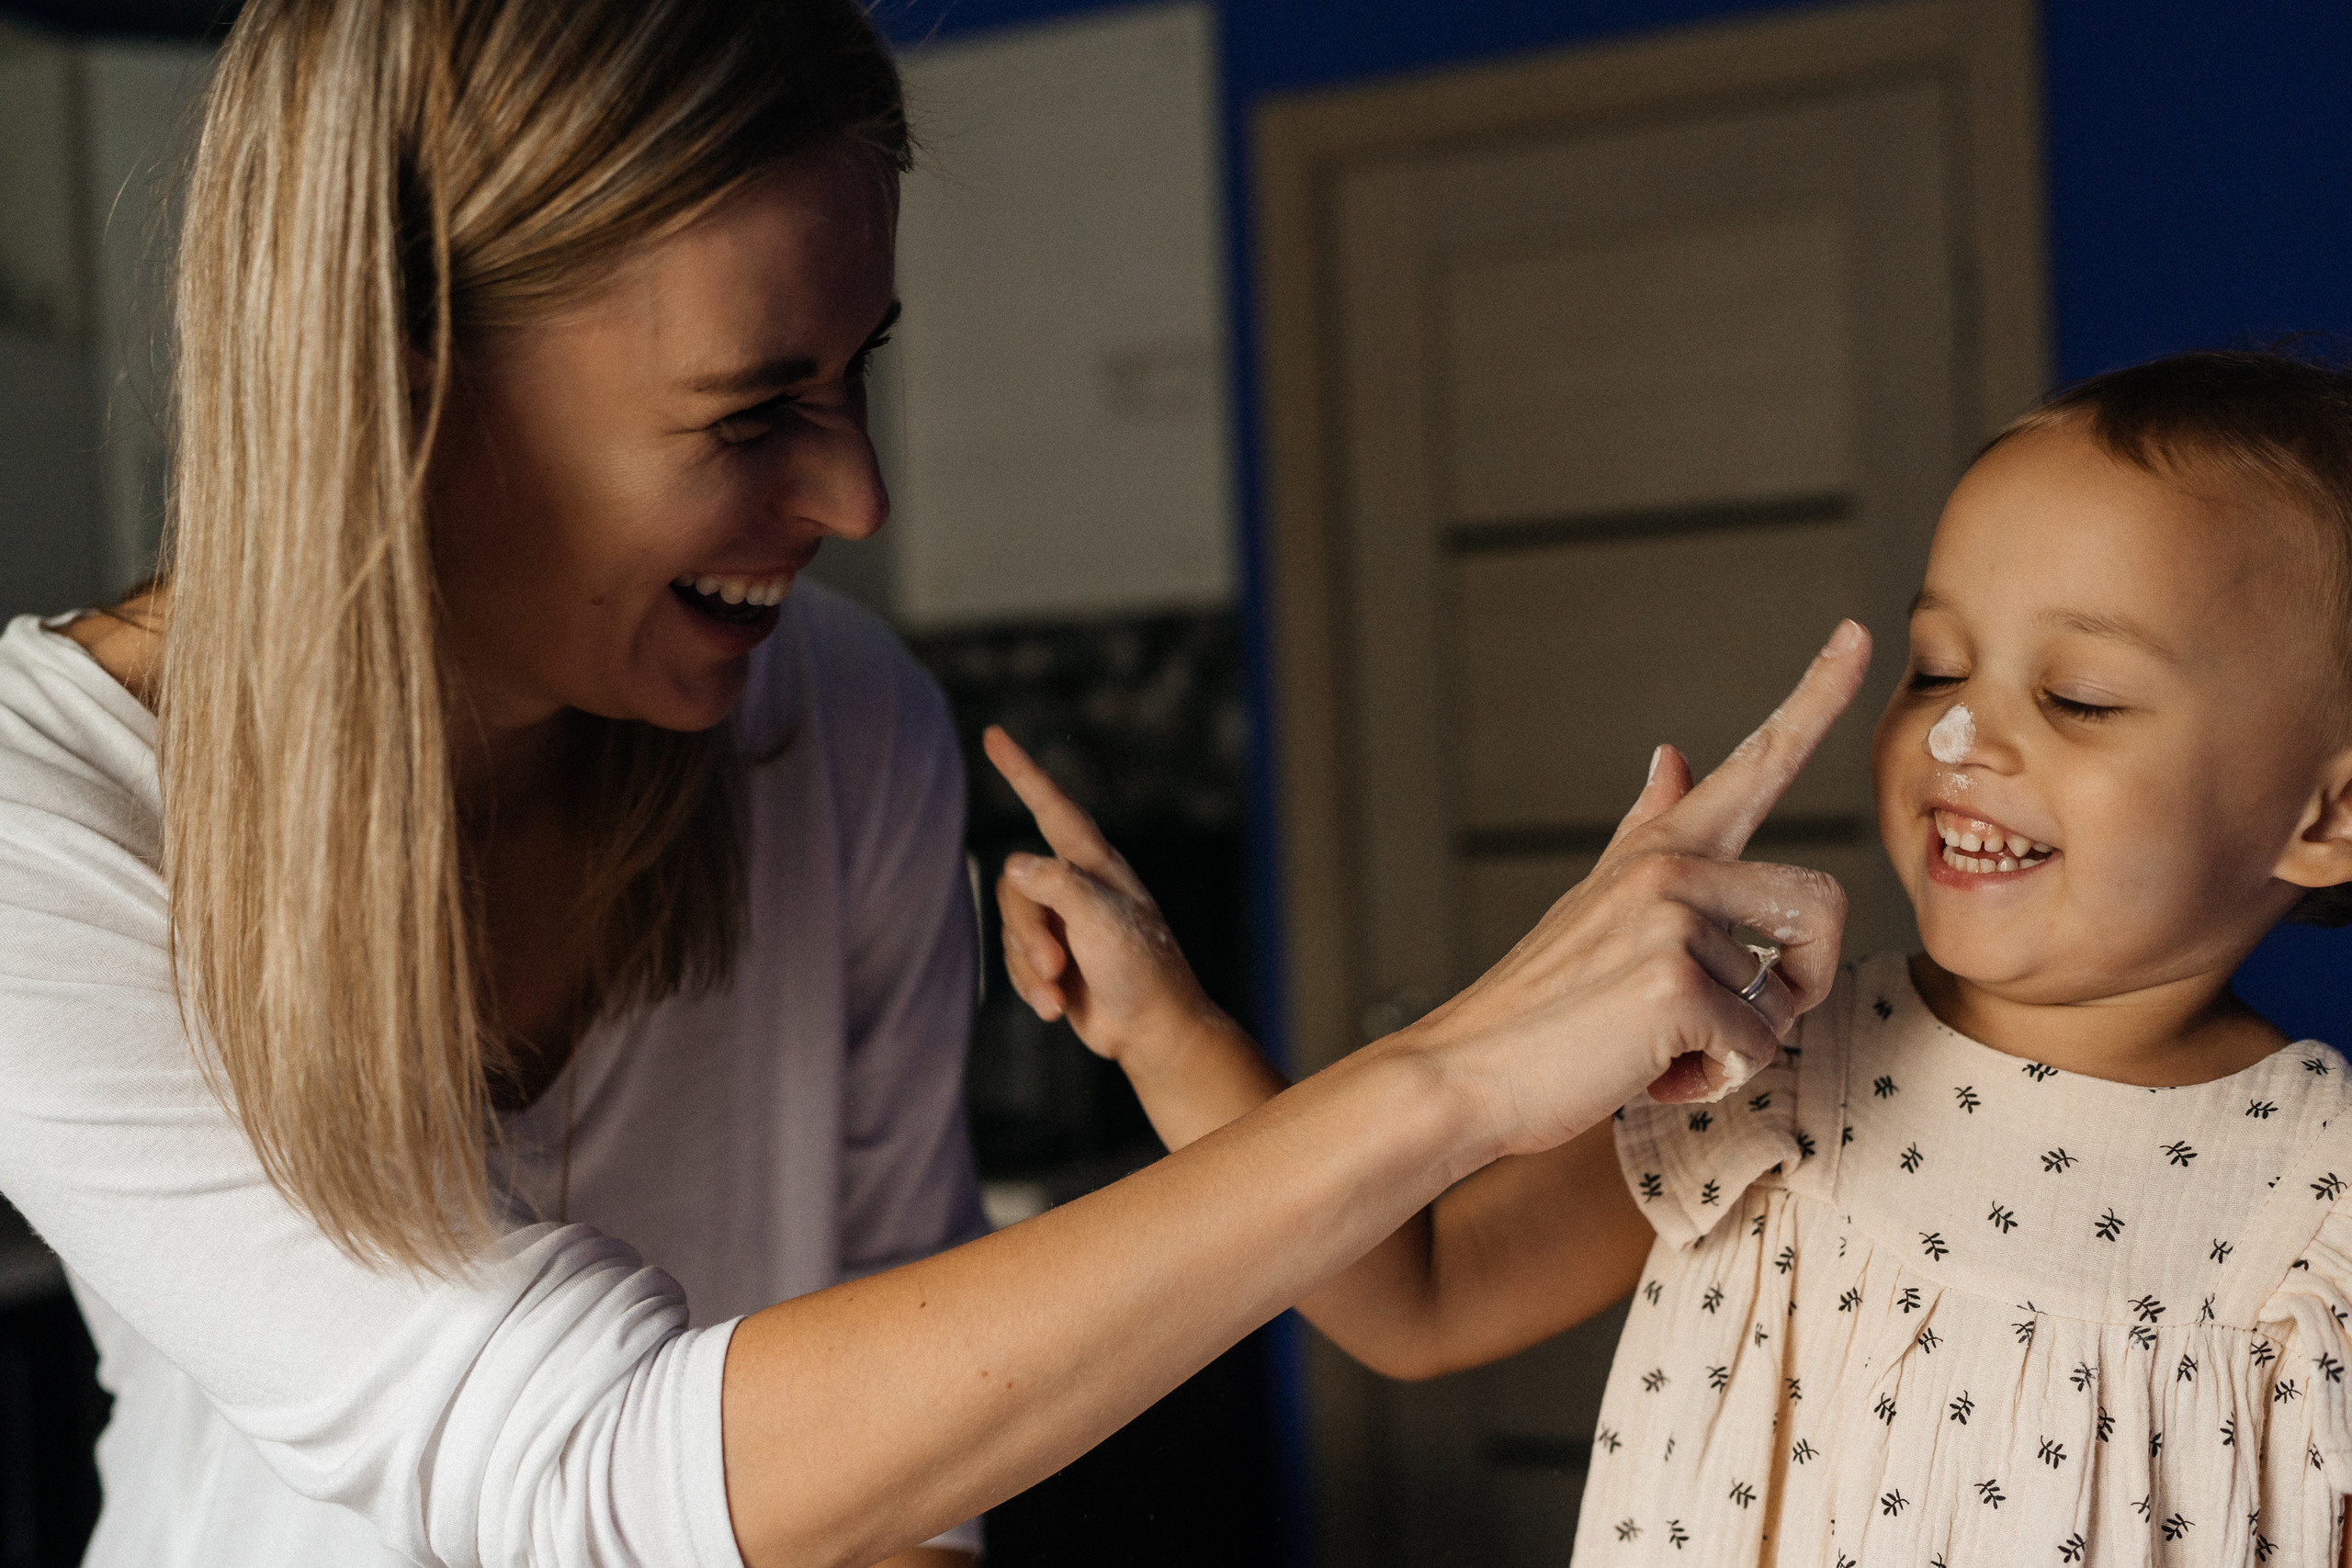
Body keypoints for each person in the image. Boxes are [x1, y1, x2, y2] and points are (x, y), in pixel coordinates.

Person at [0, 1, 1871, 1564]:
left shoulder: (841, 729)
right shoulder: (41, 822)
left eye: (856, 374)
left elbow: (902, 1497)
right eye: (750, 413)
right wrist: (1451, 1076)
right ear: (401, 397)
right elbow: (575, 1460)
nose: (856, 500)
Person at [997, 347, 2352, 1565]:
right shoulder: (1768, 1056)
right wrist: (1165, 1031)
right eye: (1938, 670)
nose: (1960, 742)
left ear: (2326, 815)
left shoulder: (2322, 1210)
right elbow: (1415, 1293)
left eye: (2079, 697)